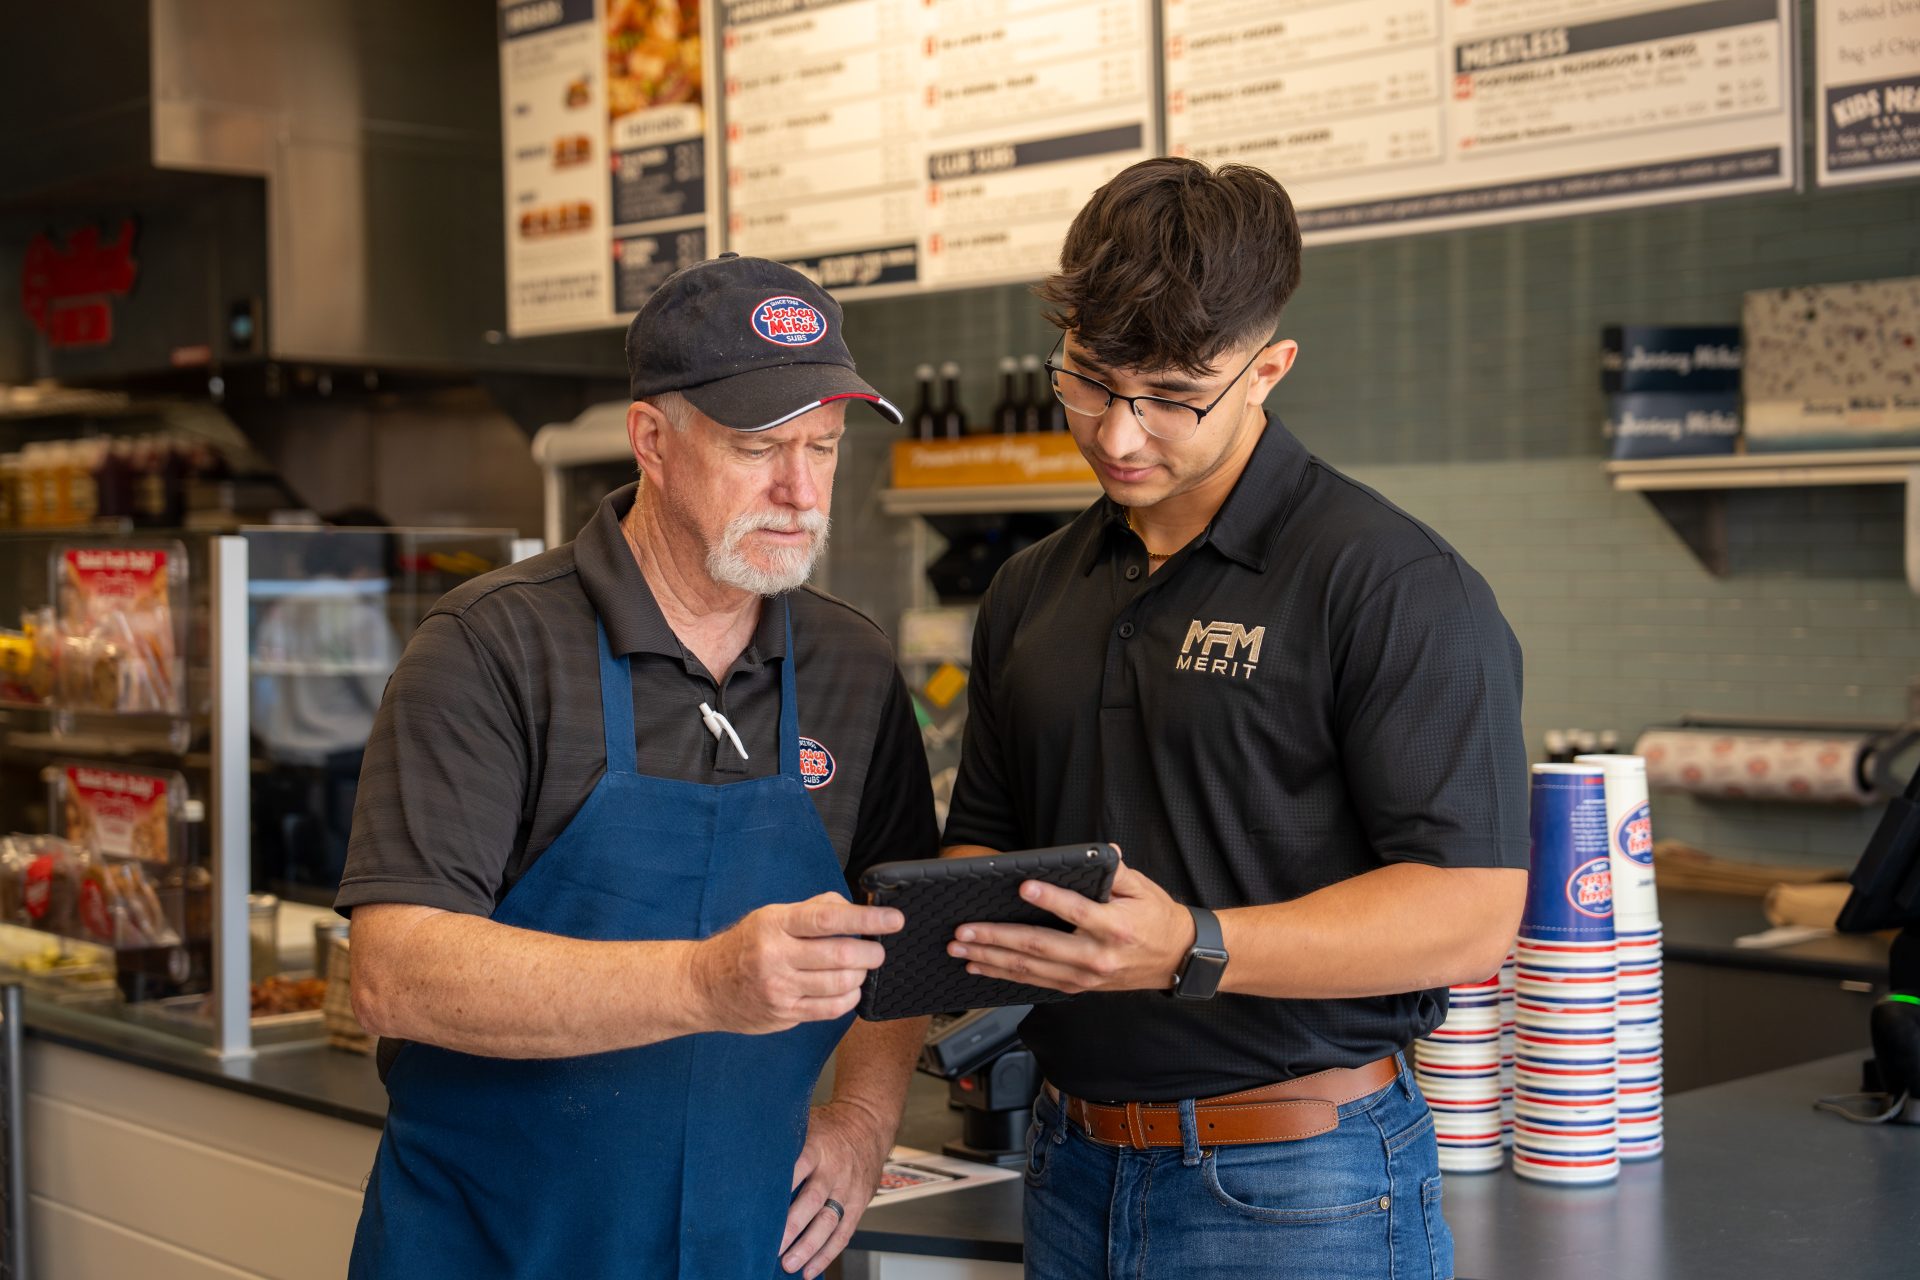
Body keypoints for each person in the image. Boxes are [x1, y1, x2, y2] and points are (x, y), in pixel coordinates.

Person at [940, 158, 1529, 1279]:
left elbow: (1470, 910)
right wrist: (921, 935)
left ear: (1268, 370)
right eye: (1089, 381)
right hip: (1069, 1166)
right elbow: (986, 838)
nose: (1118, 434)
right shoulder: (1029, 588)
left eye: (1170, 396)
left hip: (1302, 1188)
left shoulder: (1390, 582)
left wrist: (1192, 947)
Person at [337, 254, 939, 1279]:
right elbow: (396, 973)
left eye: (823, 448)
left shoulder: (852, 664)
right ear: (653, 439)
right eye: (759, 447)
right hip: (495, 1244)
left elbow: (905, 927)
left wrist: (867, 1118)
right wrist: (707, 980)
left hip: (749, 1247)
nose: (799, 490)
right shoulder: (493, 649)